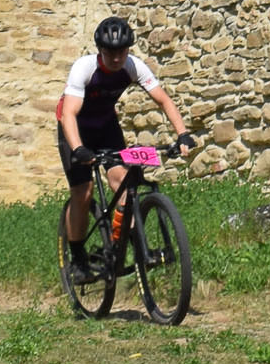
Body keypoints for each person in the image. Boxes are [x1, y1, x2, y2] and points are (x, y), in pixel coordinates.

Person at [57, 16, 190, 274]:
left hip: (106, 127)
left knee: (124, 183)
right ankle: (78, 259)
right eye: (110, 52)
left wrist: (182, 134)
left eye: (122, 51)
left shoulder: (134, 66)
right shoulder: (84, 68)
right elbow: (68, 114)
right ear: (100, 50)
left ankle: (128, 246)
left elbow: (163, 100)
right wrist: (78, 149)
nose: (117, 58)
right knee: (83, 192)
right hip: (74, 130)